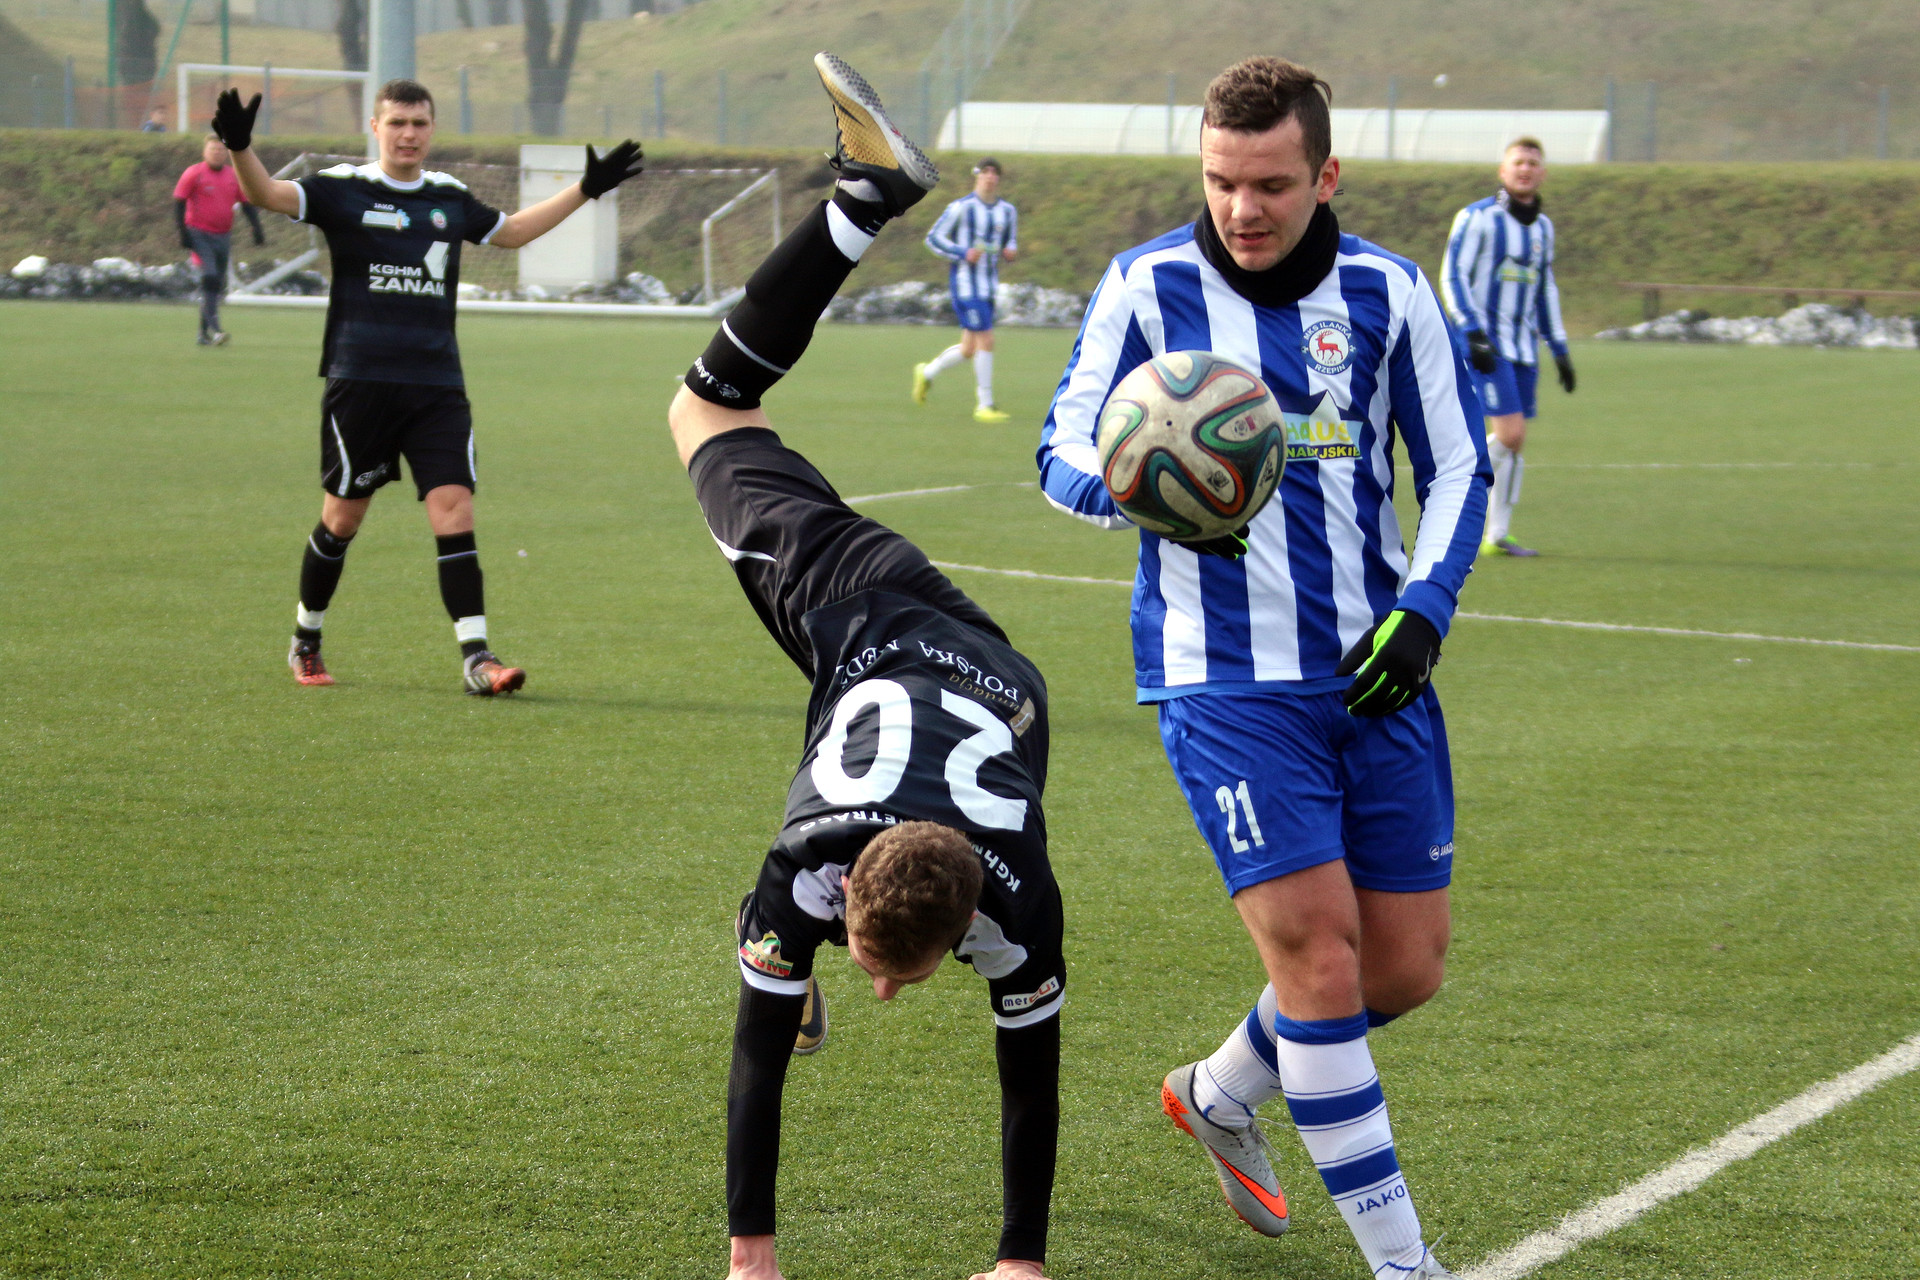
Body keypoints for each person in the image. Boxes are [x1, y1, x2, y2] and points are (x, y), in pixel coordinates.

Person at [1036, 57, 1488, 1280]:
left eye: (1272, 184)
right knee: (1321, 959)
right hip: (1222, 679)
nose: (1243, 207)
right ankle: (1407, 1265)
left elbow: (1457, 466)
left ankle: (1222, 1088)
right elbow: (1060, 450)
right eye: (1221, 181)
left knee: (1404, 967)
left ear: (1325, 175)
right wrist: (1141, 490)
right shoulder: (1146, 286)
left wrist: (1426, 608)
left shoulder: (1391, 292)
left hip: (1375, 669)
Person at [674, 53, 1062, 1280]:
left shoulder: (1016, 900)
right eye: (893, 969)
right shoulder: (823, 868)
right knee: (706, 408)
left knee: (718, 414)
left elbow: (1028, 1076)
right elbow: (754, 1064)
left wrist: (1020, 1260)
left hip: (999, 668)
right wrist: (750, 1254)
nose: (893, 991)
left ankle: (865, 195)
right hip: (856, 605)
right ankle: (865, 195)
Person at [213, 78, 642, 693]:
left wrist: (586, 189)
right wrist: (238, 147)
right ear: (375, 128)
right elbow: (267, 194)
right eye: (397, 123)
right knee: (342, 519)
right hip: (361, 381)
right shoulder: (343, 188)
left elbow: (513, 231)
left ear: (432, 129)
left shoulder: (448, 198)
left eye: (418, 124)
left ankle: (477, 659)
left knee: (454, 507)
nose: (408, 134)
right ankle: (306, 636)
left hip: (436, 385)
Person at [1440, 136, 1573, 558]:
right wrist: (1472, 331)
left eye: (1533, 163)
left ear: (1542, 173)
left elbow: (1544, 288)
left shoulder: (1543, 227)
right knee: (1510, 435)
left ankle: (1498, 535)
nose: (1525, 169)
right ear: (1503, 170)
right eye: (1518, 162)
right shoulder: (1477, 218)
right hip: (1487, 344)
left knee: (1515, 441)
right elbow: (1453, 275)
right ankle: (1456, 487)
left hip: (1523, 348)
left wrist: (1559, 347)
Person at [913, 157, 1018, 422]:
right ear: (977, 176)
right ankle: (985, 405)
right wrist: (962, 252)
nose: (990, 176)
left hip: (988, 287)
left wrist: (1010, 251)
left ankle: (927, 372)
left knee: (969, 348)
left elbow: (1010, 241)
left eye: (995, 172)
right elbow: (933, 238)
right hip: (965, 286)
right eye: (985, 172)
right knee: (987, 340)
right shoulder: (961, 208)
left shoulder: (1007, 211)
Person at [173, 133, 264, 346]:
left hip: (223, 236)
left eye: (221, 150)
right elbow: (179, 202)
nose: (217, 153)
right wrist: (182, 233)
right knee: (210, 276)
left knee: (216, 284)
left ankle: (203, 335)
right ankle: (215, 329)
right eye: (213, 149)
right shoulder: (194, 173)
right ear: (205, 152)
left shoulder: (233, 175)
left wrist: (256, 228)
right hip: (199, 233)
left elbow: (246, 203)